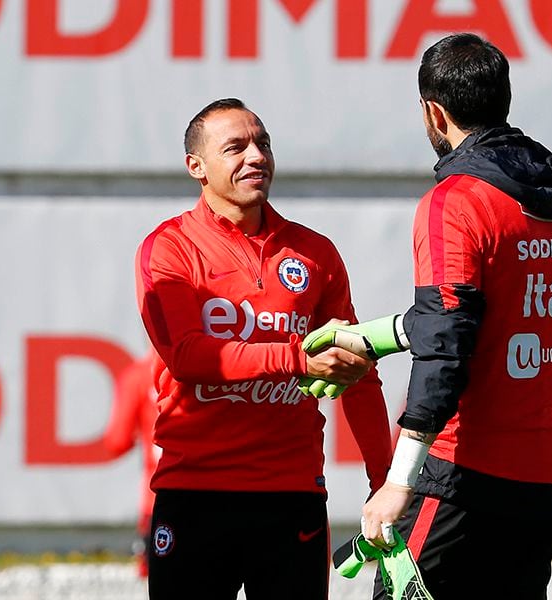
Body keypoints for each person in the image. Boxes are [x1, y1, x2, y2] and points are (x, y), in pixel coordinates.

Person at [302, 33, 552, 600]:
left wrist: (397, 483)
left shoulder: (457, 199)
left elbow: (448, 343)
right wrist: (373, 337)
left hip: (462, 479)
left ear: (435, 111)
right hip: (545, 480)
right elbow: (478, 318)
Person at [134, 97, 393, 599]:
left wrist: (382, 478)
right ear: (196, 167)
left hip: (292, 496)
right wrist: (297, 357)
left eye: (263, 143)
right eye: (235, 147)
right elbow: (188, 357)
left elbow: (360, 375)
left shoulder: (315, 253)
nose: (256, 156)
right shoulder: (169, 247)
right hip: (195, 495)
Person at [102, 347, 159, 578]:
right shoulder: (210, 369)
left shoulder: (138, 375)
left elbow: (117, 441)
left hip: (158, 498)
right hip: (217, 494)